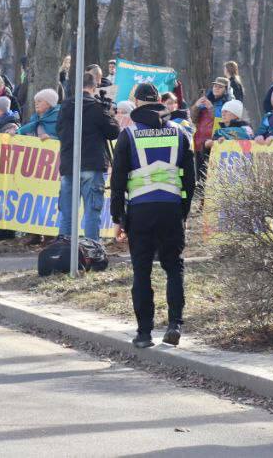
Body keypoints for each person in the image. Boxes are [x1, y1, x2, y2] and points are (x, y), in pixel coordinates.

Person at [109, 82, 197, 349]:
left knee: (142, 271)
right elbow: (190, 179)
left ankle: (144, 333)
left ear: (136, 102)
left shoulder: (129, 135)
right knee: (174, 268)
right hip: (171, 209)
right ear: (159, 101)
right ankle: (174, 325)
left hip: (141, 212)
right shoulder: (180, 133)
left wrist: (118, 218)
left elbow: (118, 181)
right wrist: (183, 211)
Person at [57, 71, 120, 242]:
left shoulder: (66, 105)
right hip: (92, 163)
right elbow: (113, 132)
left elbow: (59, 130)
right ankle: (92, 251)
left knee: (67, 213)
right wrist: (110, 113)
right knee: (92, 212)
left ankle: (64, 251)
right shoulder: (97, 106)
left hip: (69, 164)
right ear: (94, 87)